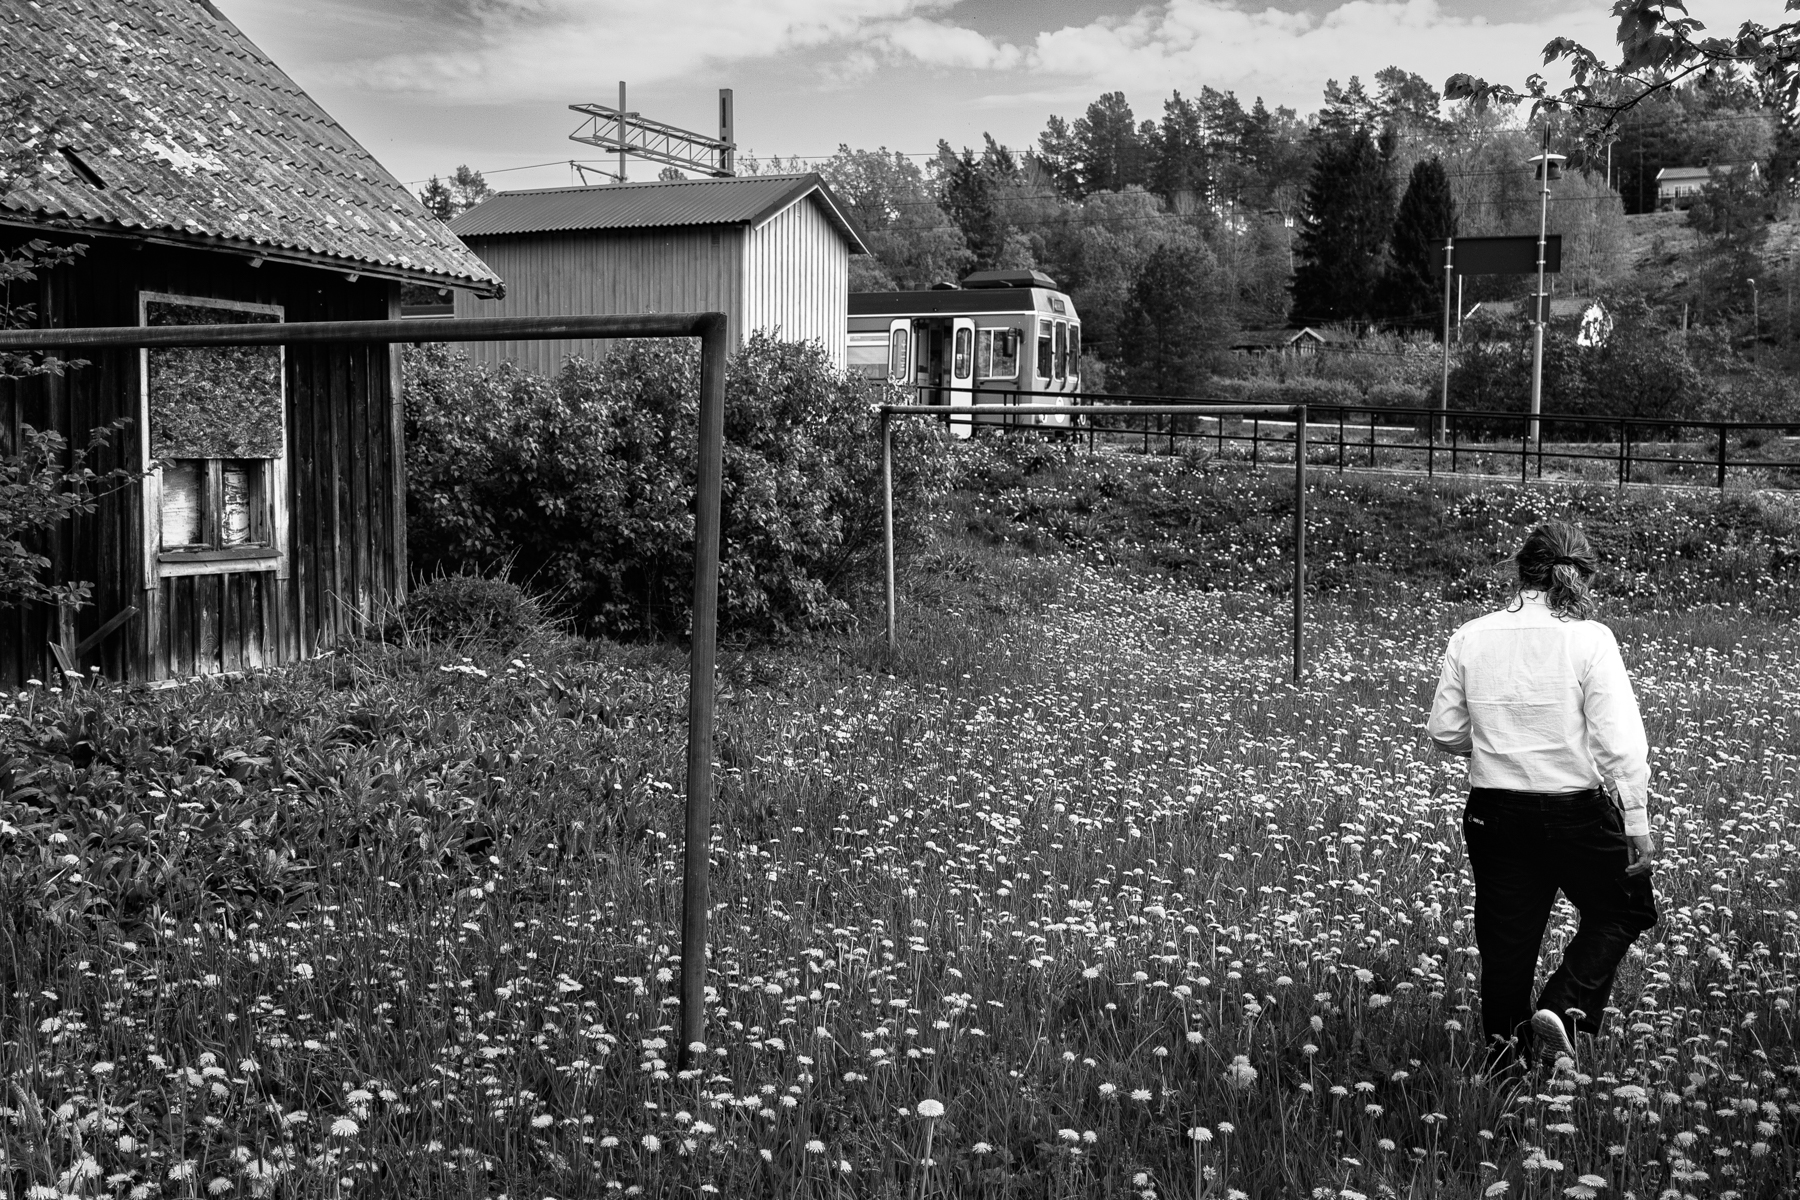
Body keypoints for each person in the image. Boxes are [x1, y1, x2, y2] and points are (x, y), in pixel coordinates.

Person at [1426, 520, 1658, 1070]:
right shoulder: (1590, 639)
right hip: (1574, 810)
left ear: (1520, 569)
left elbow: (1445, 733)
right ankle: (1563, 1006)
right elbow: (1618, 742)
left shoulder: (1470, 636)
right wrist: (1636, 820)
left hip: (1494, 812)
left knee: (1506, 944)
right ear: (1581, 576)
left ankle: (1504, 1067)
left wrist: (1500, 741)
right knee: (1626, 906)